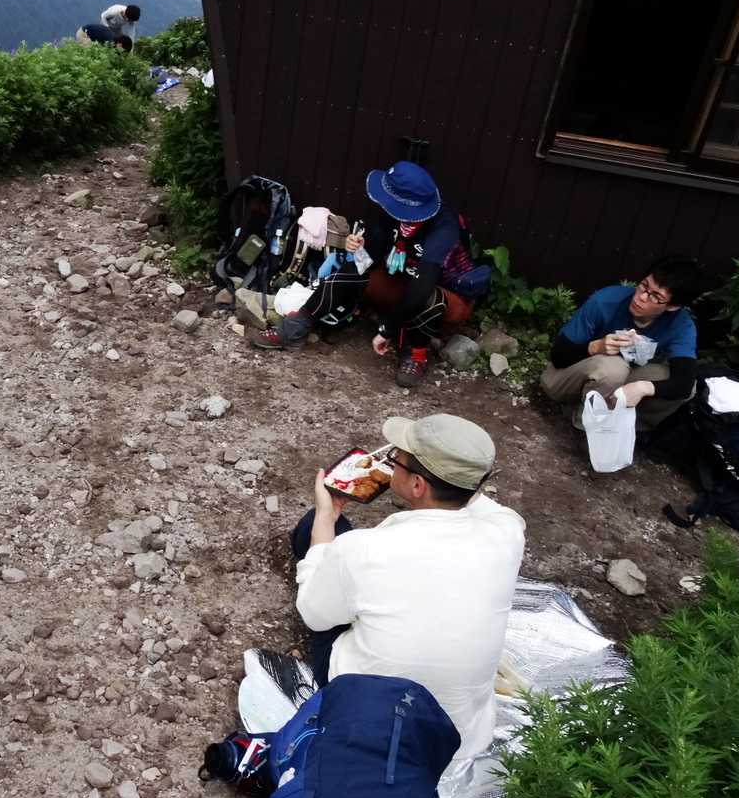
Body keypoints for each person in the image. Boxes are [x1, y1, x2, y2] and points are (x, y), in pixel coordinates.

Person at [291, 414, 523, 764]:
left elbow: (313, 614)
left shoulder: (362, 549)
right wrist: (459, 476)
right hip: (461, 737)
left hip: (373, 722)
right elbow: (493, 510)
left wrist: (325, 517)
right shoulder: (507, 534)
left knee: (315, 535)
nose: (389, 461)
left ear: (417, 485)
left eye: (395, 458)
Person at [250, 161, 483, 388]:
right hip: (405, 281)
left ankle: (415, 354)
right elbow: (371, 257)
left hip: (449, 297)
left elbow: (422, 286)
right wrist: (358, 247)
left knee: (429, 299)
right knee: (351, 272)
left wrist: (387, 329)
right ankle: (294, 329)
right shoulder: (394, 214)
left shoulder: (444, 227)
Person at [540, 255, 706, 432]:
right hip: (564, 378)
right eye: (644, 286)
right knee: (614, 367)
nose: (641, 297)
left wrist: (642, 387)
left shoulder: (681, 325)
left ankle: (620, 425)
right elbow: (558, 356)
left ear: (673, 306)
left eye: (655, 296)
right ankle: (586, 427)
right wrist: (596, 347)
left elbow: (683, 383)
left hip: (618, 384)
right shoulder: (606, 301)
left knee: (687, 387)